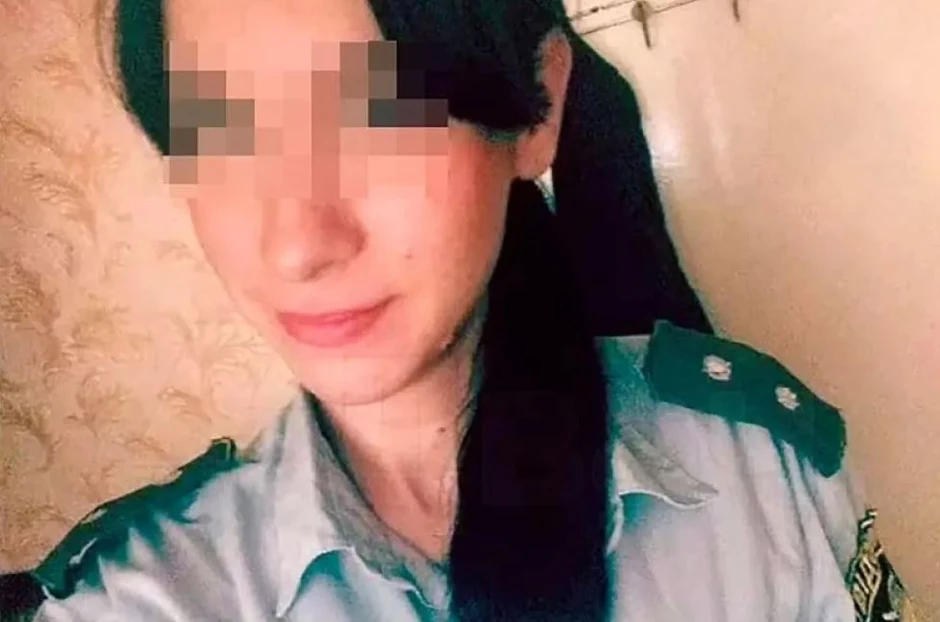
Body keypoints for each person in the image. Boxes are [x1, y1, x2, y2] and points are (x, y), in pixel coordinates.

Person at [19, 0, 917, 621]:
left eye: (374, 114)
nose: (298, 245)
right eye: (218, 133)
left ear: (537, 109)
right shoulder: (141, 598)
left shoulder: (759, 468)